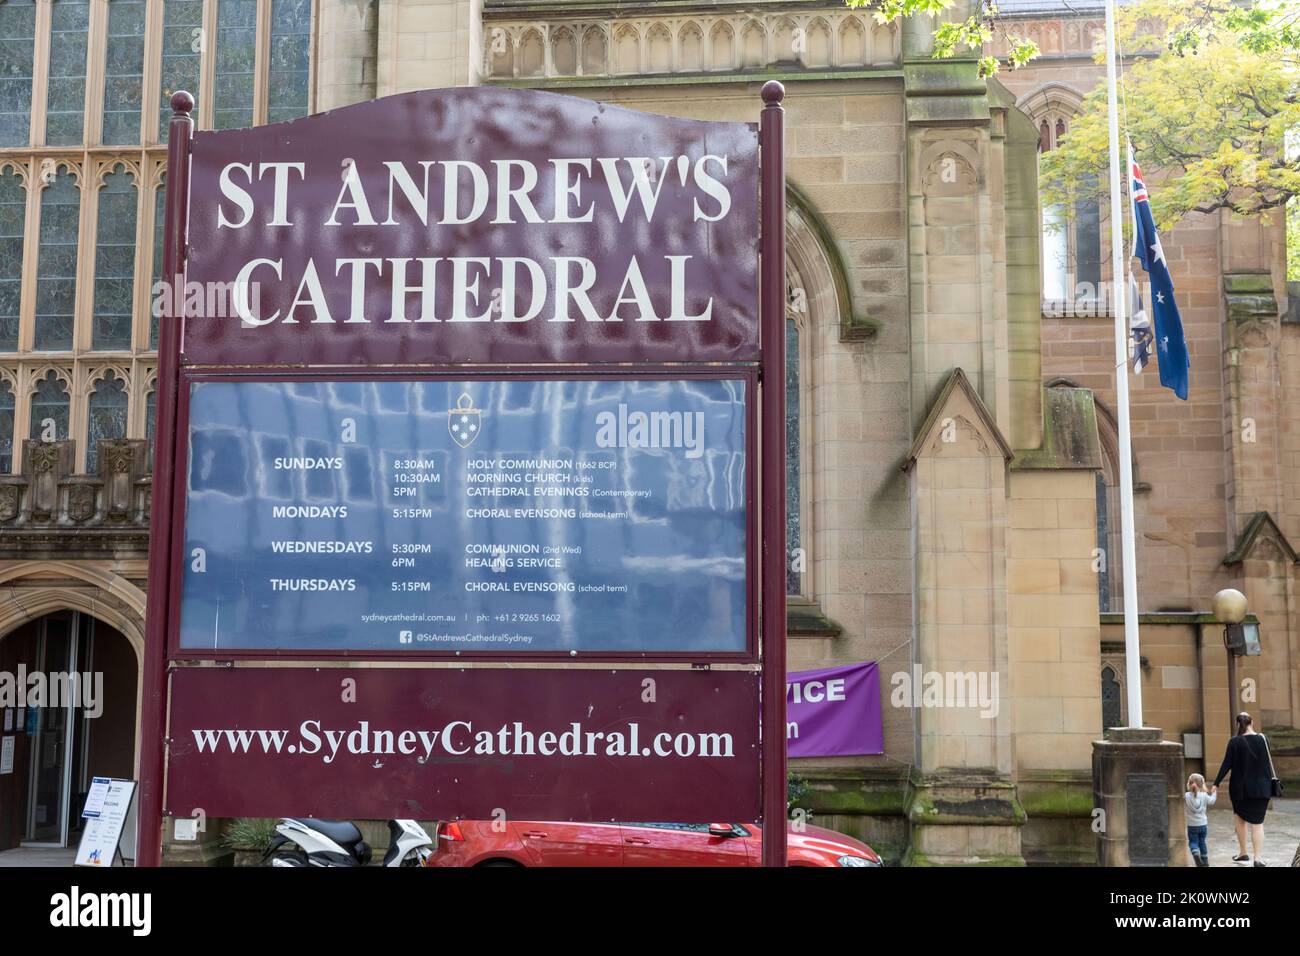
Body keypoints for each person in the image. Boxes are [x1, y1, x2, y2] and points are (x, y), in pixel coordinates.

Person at [1212, 712, 1275, 866]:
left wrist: (1216, 783)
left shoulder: (1234, 742)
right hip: (1262, 788)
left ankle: (1243, 853)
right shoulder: (1263, 739)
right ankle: (1258, 858)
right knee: (1258, 824)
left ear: (1237, 724)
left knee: (1240, 820)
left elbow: (1226, 764)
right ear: (1252, 722)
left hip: (1240, 789)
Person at [1184, 773, 1216, 867]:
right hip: (1203, 825)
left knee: (1193, 842)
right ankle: (1205, 862)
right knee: (1202, 842)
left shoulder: (1186, 796)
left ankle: (1195, 854)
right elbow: (1212, 801)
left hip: (1192, 825)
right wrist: (1214, 792)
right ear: (1202, 784)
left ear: (1189, 784)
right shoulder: (1204, 796)